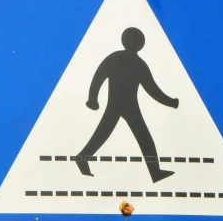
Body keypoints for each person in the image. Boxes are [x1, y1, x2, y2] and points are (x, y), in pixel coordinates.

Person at [75, 27, 178, 183]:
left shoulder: (117, 59)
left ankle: (82, 158)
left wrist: (93, 99)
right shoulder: (137, 63)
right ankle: (155, 172)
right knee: (140, 137)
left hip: (124, 105)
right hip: (124, 105)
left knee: (108, 134)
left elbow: (151, 89)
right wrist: (171, 102)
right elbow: (152, 90)